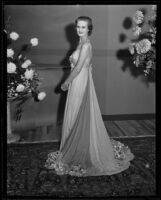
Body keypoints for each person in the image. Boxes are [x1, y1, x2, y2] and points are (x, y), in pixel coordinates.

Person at [45, 16, 134, 176]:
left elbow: (78, 68)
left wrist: (65, 83)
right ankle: (76, 147)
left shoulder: (86, 45)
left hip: (79, 83)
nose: (80, 29)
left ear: (89, 29)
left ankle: (80, 150)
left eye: (83, 27)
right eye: (78, 26)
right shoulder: (80, 43)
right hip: (78, 82)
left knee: (79, 116)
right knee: (76, 115)